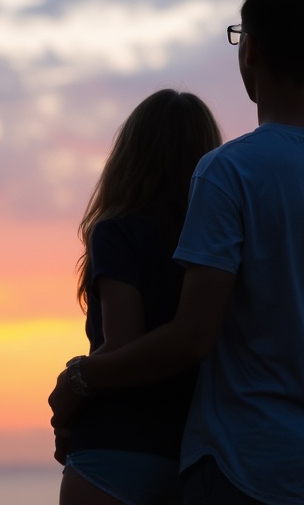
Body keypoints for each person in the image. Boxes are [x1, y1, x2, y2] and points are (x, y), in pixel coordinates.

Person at [51, 0, 304, 505]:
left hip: (248, 470)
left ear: (250, 52)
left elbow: (193, 335)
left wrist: (80, 378)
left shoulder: (228, 172)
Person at [54, 88, 223, 505]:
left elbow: (123, 342)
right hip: (198, 453)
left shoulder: (118, 231)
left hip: (115, 453)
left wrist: (73, 385)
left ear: (130, 155)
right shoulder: (221, 241)